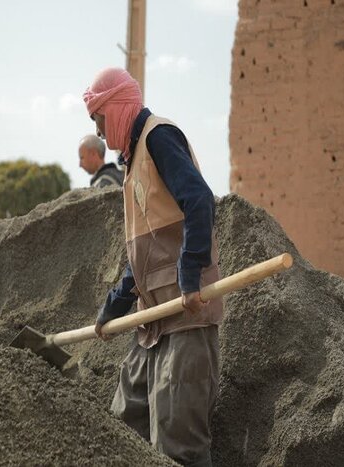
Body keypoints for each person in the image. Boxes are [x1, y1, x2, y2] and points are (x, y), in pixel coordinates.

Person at [83, 67, 222, 467]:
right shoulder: (132, 162)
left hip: (186, 320)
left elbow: (200, 201)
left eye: (100, 118)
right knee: (123, 427)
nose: (100, 130)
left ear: (118, 107)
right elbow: (143, 257)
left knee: (176, 448)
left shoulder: (159, 138)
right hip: (151, 326)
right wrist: (113, 306)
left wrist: (190, 275)